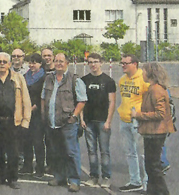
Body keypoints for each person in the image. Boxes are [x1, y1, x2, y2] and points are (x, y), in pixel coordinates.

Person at [0, 52, 31, 189]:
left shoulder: (18, 78)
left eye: (5, 62)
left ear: (9, 64)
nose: (2, 64)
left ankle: (13, 178)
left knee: (14, 153)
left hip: (14, 122)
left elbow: (26, 101)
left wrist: (25, 122)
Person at [42, 53, 87, 192]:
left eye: (61, 61)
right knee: (56, 151)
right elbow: (43, 97)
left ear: (67, 63)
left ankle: (74, 180)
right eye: (56, 61)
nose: (58, 63)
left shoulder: (75, 80)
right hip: (52, 122)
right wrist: (44, 114)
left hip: (68, 122)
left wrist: (74, 116)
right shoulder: (49, 78)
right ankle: (59, 176)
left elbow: (82, 100)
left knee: (71, 152)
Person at [131, 63, 175, 195]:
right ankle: (152, 191)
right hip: (152, 131)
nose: (142, 74)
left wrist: (138, 115)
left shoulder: (156, 90)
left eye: (143, 71)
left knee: (154, 166)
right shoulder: (153, 88)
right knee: (150, 165)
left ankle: (163, 192)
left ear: (150, 73)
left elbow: (160, 114)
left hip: (156, 132)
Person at [79, 53, 116, 188]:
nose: (93, 64)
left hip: (102, 121)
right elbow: (81, 100)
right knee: (91, 151)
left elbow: (112, 102)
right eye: (90, 62)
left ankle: (106, 177)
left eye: (95, 62)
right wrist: (81, 118)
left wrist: (108, 121)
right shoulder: (83, 80)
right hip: (88, 121)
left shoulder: (108, 81)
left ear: (101, 63)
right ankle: (93, 176)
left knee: (104, 151)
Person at [117, 54, 150, 192]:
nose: (123, 65)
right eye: (122, 63)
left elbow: (150, 101)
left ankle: (148, 183)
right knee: (130, 153)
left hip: (138, 121)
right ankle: (135, 180)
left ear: (135, 64)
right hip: (124, 120)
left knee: (144, 153)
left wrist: (142, 115)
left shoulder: (144, 79)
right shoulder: (122, 80)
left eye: (126, 63)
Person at [19, 53, 47, 178]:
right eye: (30, 62)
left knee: (37, 142)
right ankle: (27, 166)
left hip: (37, 114)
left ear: (40, 64)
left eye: (34, 62)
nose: (31, 65)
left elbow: (43, 96)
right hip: (26, 113)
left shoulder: (44, 77)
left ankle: (40, 168)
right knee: (26, 141)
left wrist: (34, 107)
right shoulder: (25, 76)